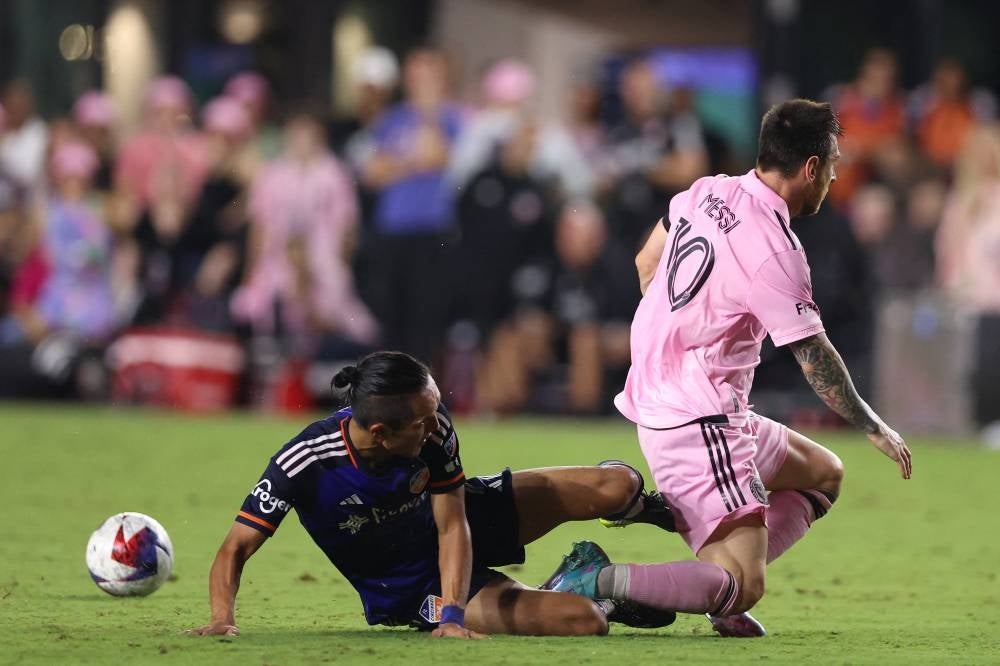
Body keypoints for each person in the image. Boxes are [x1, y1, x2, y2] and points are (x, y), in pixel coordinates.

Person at [544, 99, 912, 637]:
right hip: (699, 420)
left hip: (681, 399)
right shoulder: (775, 251)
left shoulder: (708, 190)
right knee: (743, 582)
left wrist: (675, 333)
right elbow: (814, 358)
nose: (835, 177)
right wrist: (873, 425)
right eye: (833, 163)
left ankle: (677, 525)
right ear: (811, 167)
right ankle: (596, 579)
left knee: (822, 474)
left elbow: (646, 262)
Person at [187, 350, 676, 637]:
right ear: (381, 434)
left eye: (434, 409)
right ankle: (574, 584)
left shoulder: (431, 428)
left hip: (462, 520)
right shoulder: (305, 462)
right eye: (421, 421)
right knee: (585, 621)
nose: (435, 425)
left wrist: (456, 617)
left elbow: (452, 524)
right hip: (414, 586)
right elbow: (235, 548)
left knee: (618, 484)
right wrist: (221, 619)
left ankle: (632, 507)